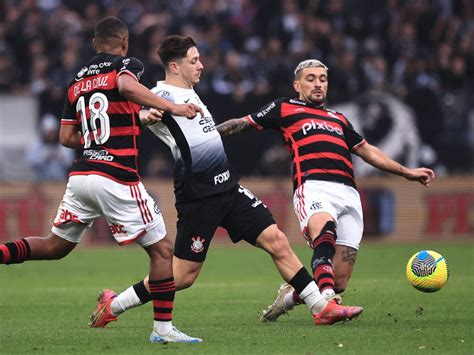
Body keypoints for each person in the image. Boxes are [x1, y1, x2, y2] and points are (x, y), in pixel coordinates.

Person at [89, 35, 364, 329]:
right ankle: (114, 304)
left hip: (228, 186)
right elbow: (133, 116)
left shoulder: (190, 93)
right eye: (193, 60)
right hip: (199, 194)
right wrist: (145, 116)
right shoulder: (161, 96)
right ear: (174, 65)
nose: (201, 65)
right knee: (182, 276)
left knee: (277, 241)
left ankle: (320, 307)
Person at [0, 17, 204, 344]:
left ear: (95, 44)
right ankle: (163, 330)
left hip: (82, 176)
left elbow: (67, 136)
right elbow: (124, 86)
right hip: (117, 177)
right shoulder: (127, 65)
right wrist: (173, 107)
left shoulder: (75, 82)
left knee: (55, 247)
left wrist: (103, 136)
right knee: (163, 252)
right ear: (124, 44)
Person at [215, 59, 436, 321]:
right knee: (325, 233)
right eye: (311, 78)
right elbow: (243, 123)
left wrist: (406, 172)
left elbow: (368, 152)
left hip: (349, 194)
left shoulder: (338, 119)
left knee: (339, 277)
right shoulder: (285, 107)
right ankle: (327, 302)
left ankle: (291, 296)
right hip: (313, 186)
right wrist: (206, 137)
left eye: (322, 78)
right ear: (298, 85)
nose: (318, 83)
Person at [25, 113, 75, 181]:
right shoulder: (36, 144)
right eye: (49, 133)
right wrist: (43, 156)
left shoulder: (62, 144)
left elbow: (70, 162)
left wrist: (61, 157)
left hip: (60, 181)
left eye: (53, 132)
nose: (51, 136)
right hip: (42, 181)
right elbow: (30, 162)